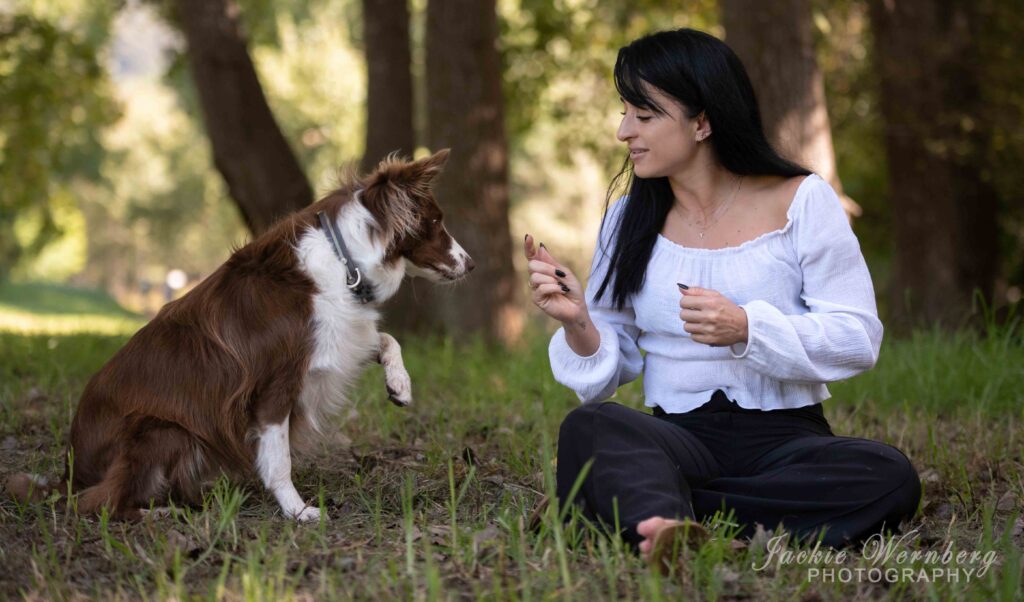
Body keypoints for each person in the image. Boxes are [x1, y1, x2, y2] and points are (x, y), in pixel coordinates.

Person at [523, 28, 921, 563]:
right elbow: (612, 360)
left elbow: (858, 337)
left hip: (786, 442)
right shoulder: (627, 218)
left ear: (702, 121)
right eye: (624, 114)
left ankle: (663, 514)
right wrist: (578, 322)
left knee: (889, 476)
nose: (623, 132)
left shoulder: (802, 202)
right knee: (592, 426)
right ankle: (678, 522)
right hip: (676, 439)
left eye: (643, 115)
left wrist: (748, 329)